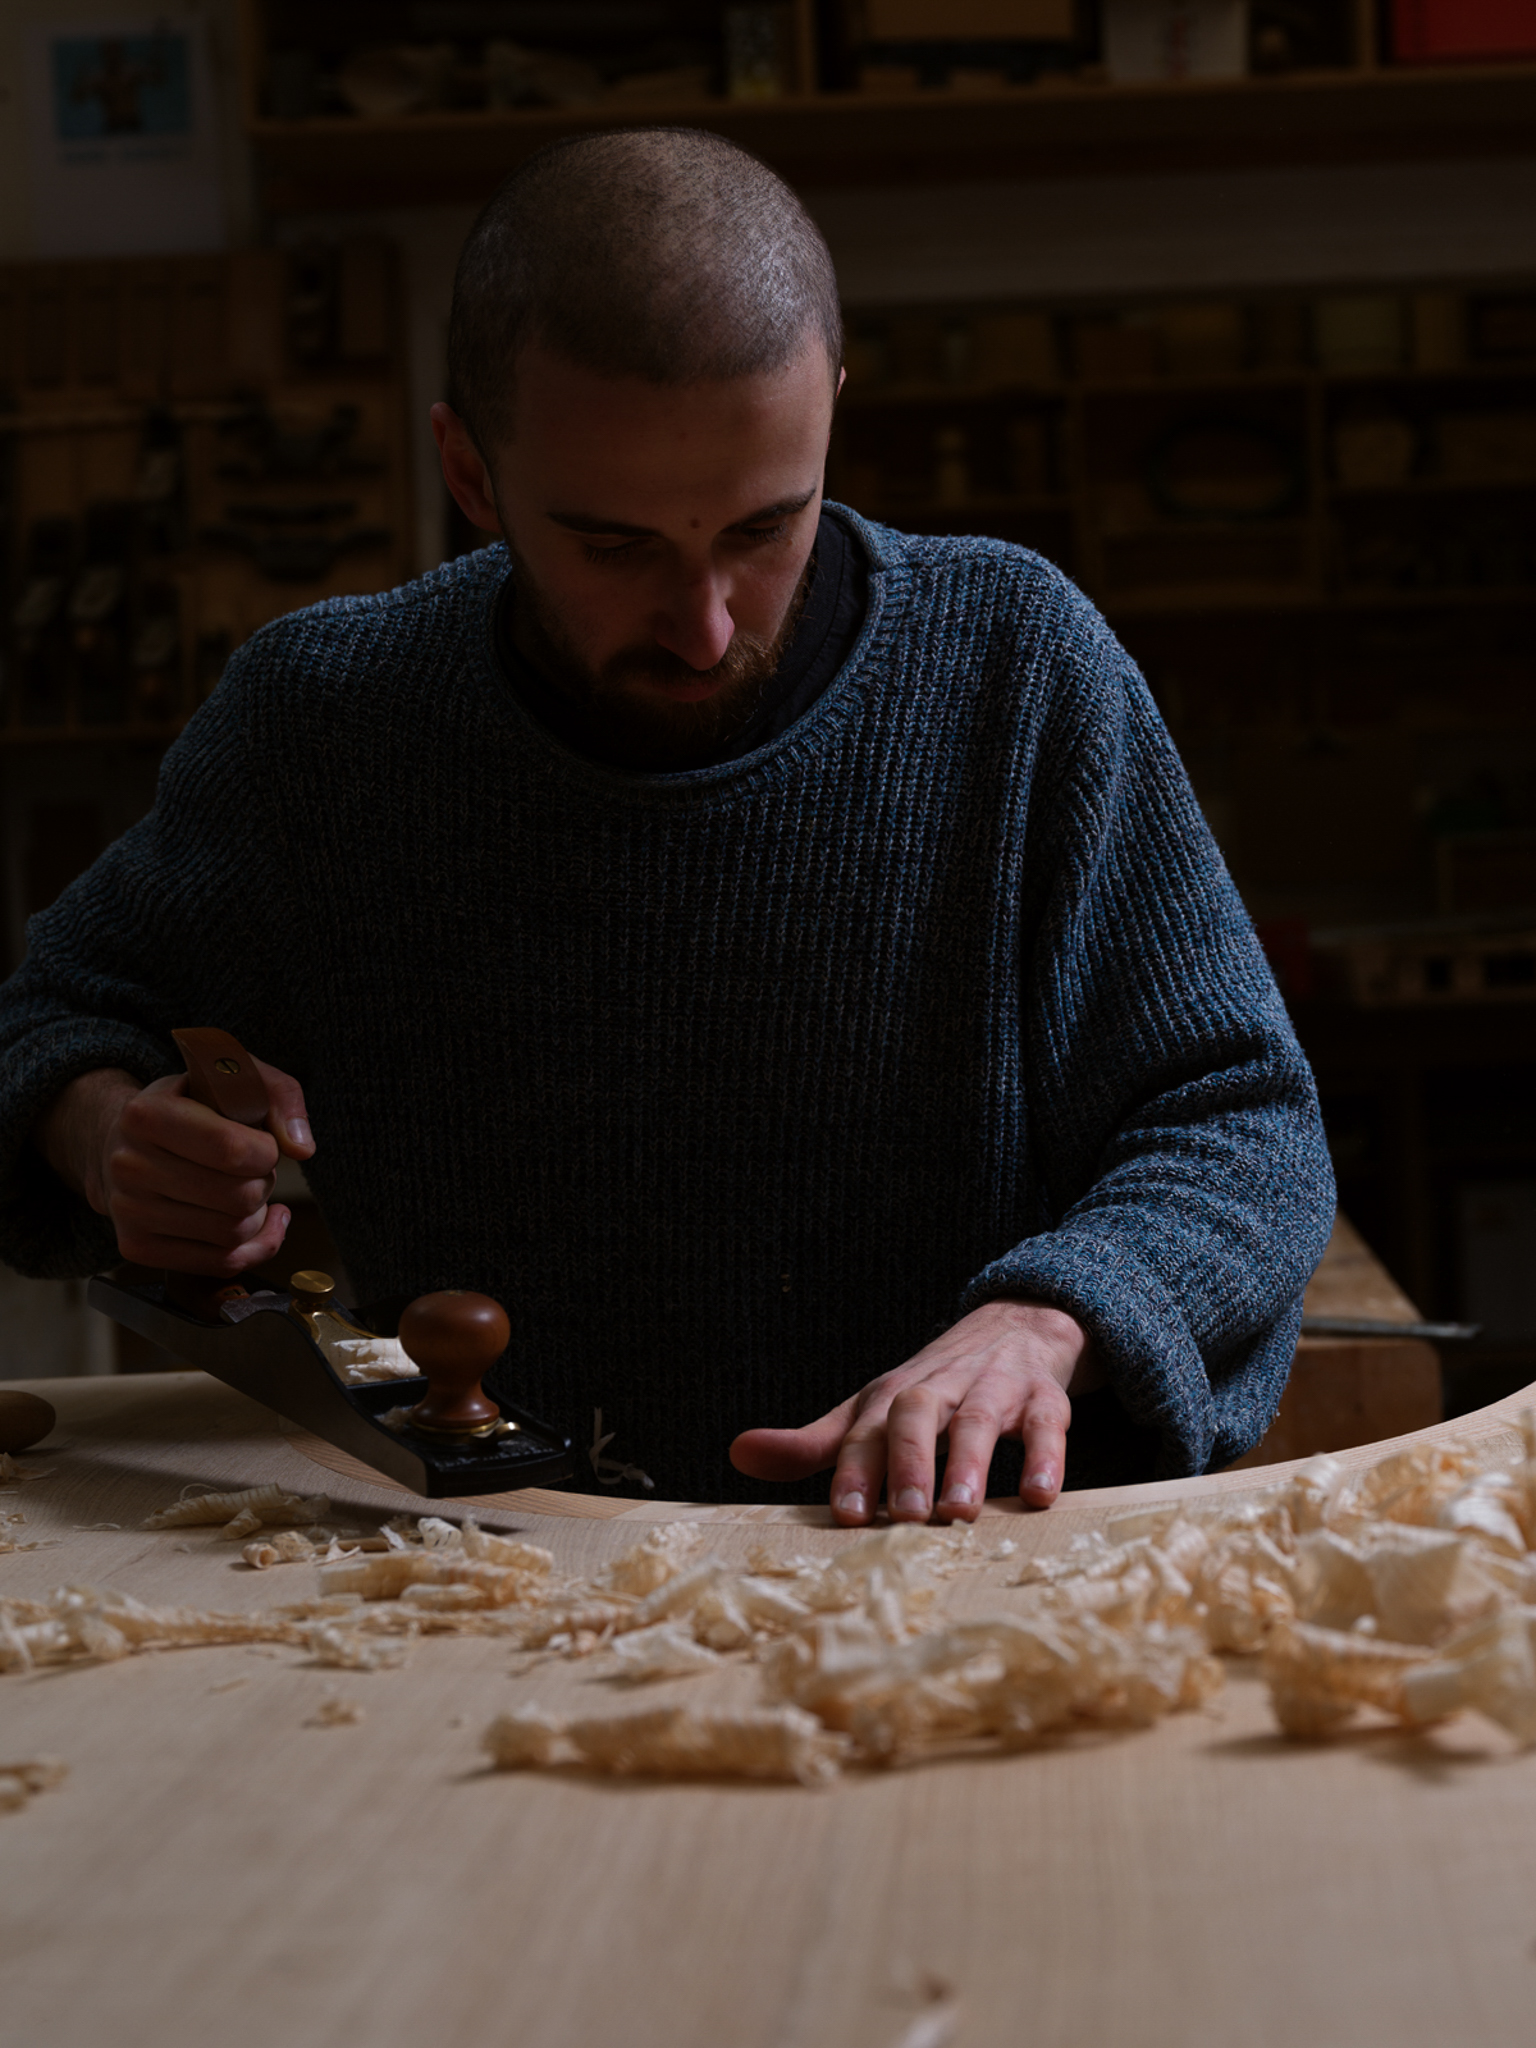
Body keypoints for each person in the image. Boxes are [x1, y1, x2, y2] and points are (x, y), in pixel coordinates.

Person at [0, 129, 1334, 1519]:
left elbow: (1240, 1124)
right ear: (470, 474)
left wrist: (1050, 1318)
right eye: (617, 546)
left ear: (829, 406)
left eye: (765, 530)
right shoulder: (323, 719)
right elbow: (46, 1023)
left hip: (946, 1563)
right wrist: (102, 1134)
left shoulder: (1018, 665)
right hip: (491, 1580)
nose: (703, 629)